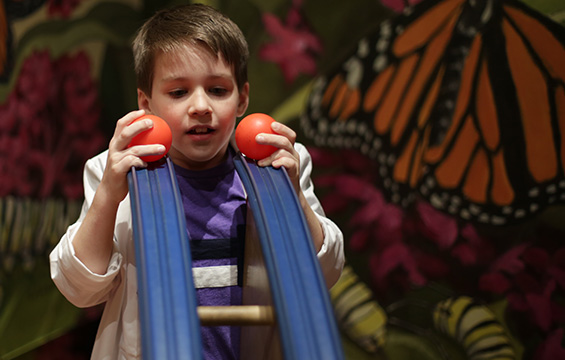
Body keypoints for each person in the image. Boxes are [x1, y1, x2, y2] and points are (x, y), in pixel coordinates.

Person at [50, 3, 344, 359]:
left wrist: (292, 193)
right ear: (146, 103)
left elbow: (325, 272)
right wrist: (109, 195)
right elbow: (79, 289)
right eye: (178, 92)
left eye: (218, 90)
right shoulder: (112, 171)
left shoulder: (282, 165)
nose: (201, 106)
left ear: (243, 99)